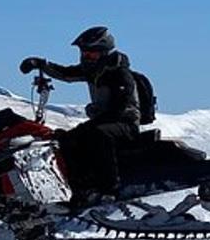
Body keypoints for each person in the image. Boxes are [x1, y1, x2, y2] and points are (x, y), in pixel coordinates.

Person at [20, 26, 141, 198]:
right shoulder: (94, 70)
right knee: (66, 139)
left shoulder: (120, 74)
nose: (86, 57)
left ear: (104, 52)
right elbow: (66, 73)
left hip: (125, 123)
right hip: (105, 121)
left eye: (91, 54)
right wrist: (40, 63)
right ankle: (80, 190)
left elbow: (118, 110)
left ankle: (110, 189)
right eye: (84, 54)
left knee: (97, 135)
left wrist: (89, 126)